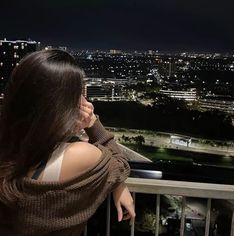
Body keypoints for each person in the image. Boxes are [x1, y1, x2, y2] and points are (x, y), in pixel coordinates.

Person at [0, 49, 135, 235]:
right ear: (61, 104)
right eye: (76, 94)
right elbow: (120, 164)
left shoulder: (8, 147)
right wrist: (92, 123)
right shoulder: (78, 154)